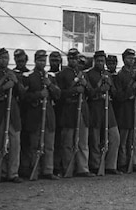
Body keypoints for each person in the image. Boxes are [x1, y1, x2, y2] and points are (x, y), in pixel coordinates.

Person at [0, 48, 23, 183]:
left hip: (13, 113)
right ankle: (1, 171)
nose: (4, 61)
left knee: (15, 144)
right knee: (1, 142)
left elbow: (22, 95)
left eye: (6, 58)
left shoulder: (15, 74)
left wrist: (16, 83)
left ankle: (13, 173)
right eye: (1, 58)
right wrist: (3, 86)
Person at [57, 48, 95, 177]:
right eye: (71, 58)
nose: (74, 60)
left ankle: (83, 168)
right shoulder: (62, 74)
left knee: (82, 142)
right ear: (68, 59)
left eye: (76, 58)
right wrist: (75, 89)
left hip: (82, 110)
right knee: (68, 141)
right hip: (69, 110)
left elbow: (91, 93)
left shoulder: (83, 74)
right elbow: (60, 94)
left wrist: (85, 85)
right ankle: (68, 167)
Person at [23, 50, 60, 180]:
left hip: (48, 113)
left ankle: (48, 170)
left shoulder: (50, 77)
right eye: (39, 60)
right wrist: (39, 95)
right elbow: (24, 96)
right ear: (35, 61)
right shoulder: (28, 76)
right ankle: (35, 169)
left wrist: (49, 85)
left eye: (44, 60)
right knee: (35, 145)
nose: (42, 63)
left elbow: (58, 94)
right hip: (35, 113)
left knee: (49, 145)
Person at [85, 51, 122, 175]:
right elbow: (89, 92)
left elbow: (115, 93)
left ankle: (111, 165)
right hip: (95, 107)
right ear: (95, 61)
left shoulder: (108, 74)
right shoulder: (88, 74)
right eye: (99, 61)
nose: (101, 63)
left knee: (114, 136)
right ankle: (95, 165)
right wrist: (100, 85)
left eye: (103, 61)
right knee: (95, 138)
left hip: (108, 107)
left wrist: (110, 86)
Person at [113, 49, 136, 172]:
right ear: (124, 59)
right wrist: (132, 86)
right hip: (124, 112)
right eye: (129, 58)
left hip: (135, 111)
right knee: (124, 140)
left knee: (135, 140)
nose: (131, 60)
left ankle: (133, 162)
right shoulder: (120, 75)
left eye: (132, 58)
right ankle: (122, 163)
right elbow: (119, 96)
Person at [12, 49, 32, 177]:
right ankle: (15, 168)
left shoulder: (30, 74)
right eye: (18, 60)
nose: (20, 63)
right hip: (16, 110)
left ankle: (26, 167)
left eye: (22, 60)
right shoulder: (12, 73)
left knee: (27, 141)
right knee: (15, 141)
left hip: (28, 110)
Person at [48, 51, 64, 176]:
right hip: (49, 110)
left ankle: (58, 166)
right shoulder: (47, 74)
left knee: (59, 141)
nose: (55, 62)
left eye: (57, 60)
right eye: (53, 60)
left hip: (61, 110)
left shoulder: (62, 75)